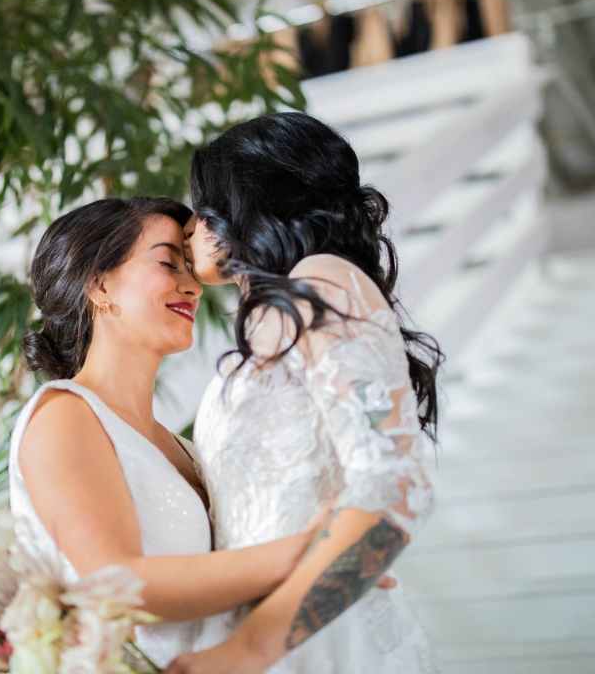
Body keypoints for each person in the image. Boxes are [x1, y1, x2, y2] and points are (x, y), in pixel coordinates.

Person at [10, 197, 395, 668]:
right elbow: (117, 584)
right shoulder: (64, 416)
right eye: (169, 264)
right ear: (99, 282)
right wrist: (309, 551)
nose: (192, 287)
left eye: (190, 269)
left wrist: (334, 571)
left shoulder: (184, 448)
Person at [168, 111, 444, 673]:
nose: (189, 228)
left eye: (203, 209)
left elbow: (394, 484)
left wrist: (248, 650)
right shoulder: (275, 314)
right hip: (268, 628)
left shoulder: (322, 281)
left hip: (314, 640)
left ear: (244, 206)